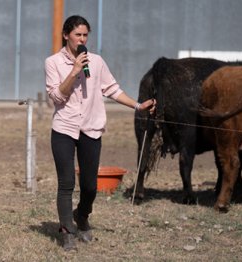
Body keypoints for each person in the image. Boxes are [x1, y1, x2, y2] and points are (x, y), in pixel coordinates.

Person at [44, 15, 155, 252]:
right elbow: (56, 97)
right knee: (66, 183)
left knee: (90, 186)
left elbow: (112, 89)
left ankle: (81, 216)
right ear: (66, 35)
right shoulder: (52, 62)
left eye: (85, 35)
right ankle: (66, 230)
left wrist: (138, 105)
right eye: (78, 35)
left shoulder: (96, 61)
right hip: (64, 128)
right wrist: (74, 71)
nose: (82, 40)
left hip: (91, 128)